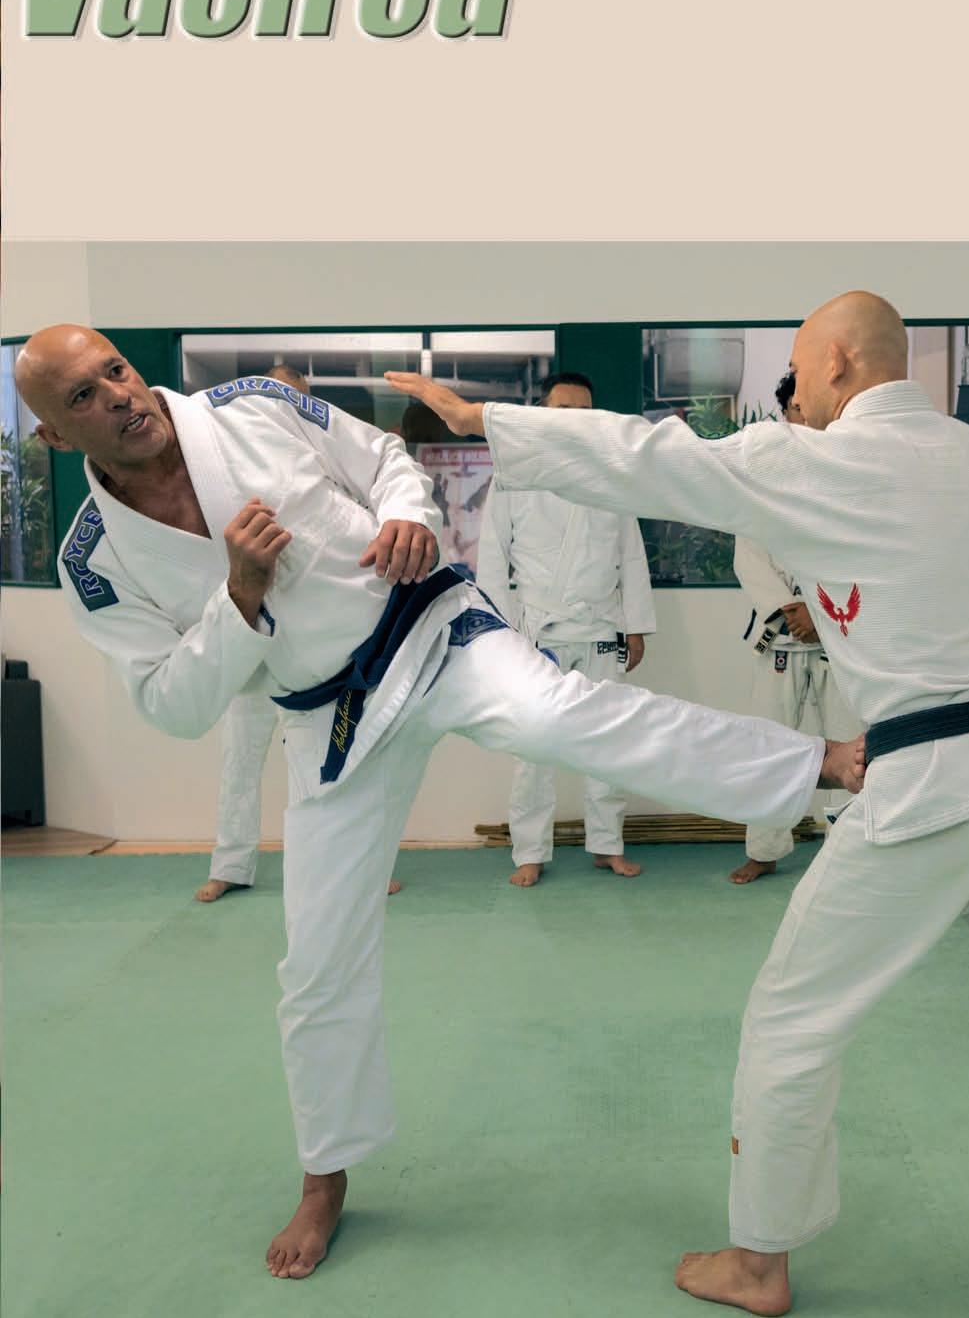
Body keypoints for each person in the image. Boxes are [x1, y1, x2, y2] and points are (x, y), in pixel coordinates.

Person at [386, 293, 969, 1318]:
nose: (795, 394)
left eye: (799, 370)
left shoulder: (818, 463)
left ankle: (760, 1260)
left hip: (928, 785)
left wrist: (483, 420)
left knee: (792, 1017)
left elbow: (651, 458)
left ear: (836, 361)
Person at [22, 326, 858, 1283]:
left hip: (429, 627)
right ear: (54, 436)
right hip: (329, 718)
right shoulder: (95, 561)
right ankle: (325, 1175)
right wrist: (238, 595)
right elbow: (172, 704)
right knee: (317, 963)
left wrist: (409, 513)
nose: (118, 395)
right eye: (82, 397)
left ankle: (818, 763)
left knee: (564, 715)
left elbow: (384, 458)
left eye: (116, 370)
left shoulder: (250, 406)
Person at [196, 365, 401, 904]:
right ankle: (231, 863)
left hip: (319, 648)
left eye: (299, 399)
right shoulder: (229, 466)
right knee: (240, 758)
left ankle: (361, 866)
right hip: (251, 642)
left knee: (341, 762)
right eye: (281, 397)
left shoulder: (326, 456)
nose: (289, 408)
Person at [477, 370, 656, 885]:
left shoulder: (611, 474)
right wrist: (498, 631)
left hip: (602, 627)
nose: (575, 421)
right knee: (534, 747)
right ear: (542, 414)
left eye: (583, 412)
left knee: (610, 741)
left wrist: (636, 625)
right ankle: (529, 851)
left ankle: (607, 844)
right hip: (539, 630)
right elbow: (493, 557)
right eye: (563, 411)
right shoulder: (514, 473)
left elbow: (630, 554)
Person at [729, 402, 862, 887]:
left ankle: (848, 850)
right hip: (780, 636)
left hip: (835, 637)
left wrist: (818, 614)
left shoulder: (849, 478)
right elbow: (749, 557)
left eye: (809, 410)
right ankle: (763, 850)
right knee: (768, 744)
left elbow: (857, 555)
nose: (803, 419)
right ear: (785, 415)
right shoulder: (761, 481)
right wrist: (792, 609)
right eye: (795, 410)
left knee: (849, 745)